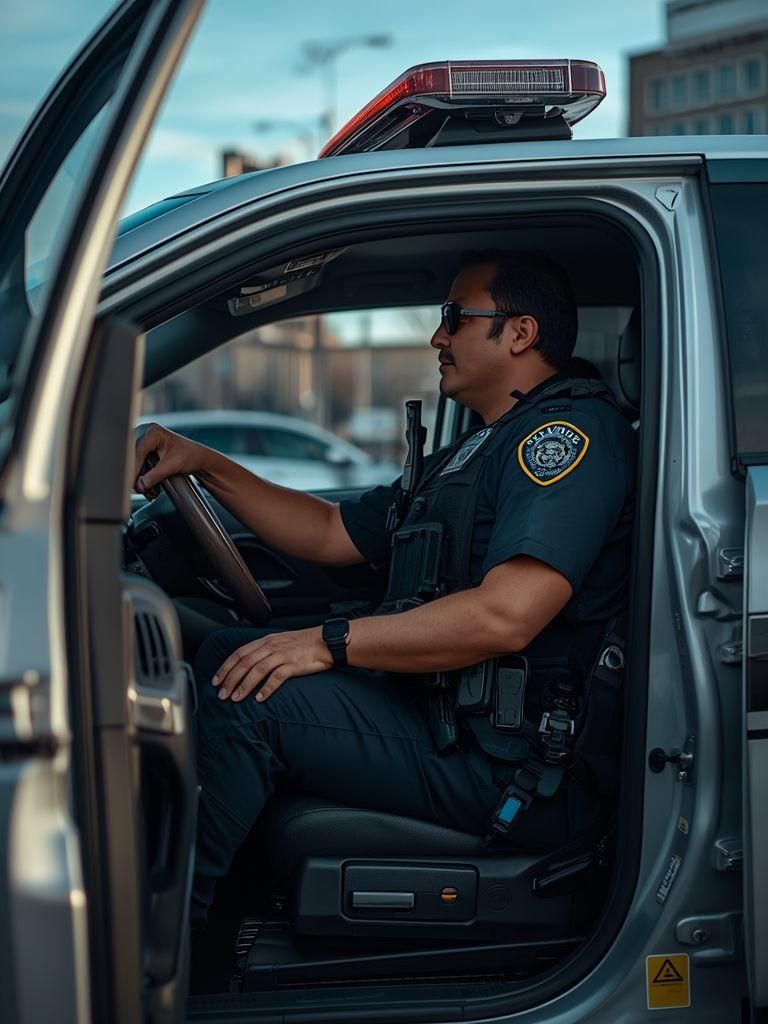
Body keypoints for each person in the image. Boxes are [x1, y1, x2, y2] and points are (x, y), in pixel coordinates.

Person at [133, 251, 637, 925]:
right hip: (449, 720)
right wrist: (204, 462)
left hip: (512, 766)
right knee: (232, 650)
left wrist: (330, 642)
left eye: (455, 318)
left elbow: (505, 617)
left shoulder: (566, 436)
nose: (437, 338)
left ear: (519, 333)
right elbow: (330, 531)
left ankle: (160, 945)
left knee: (248, 699)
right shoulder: (474, 450)